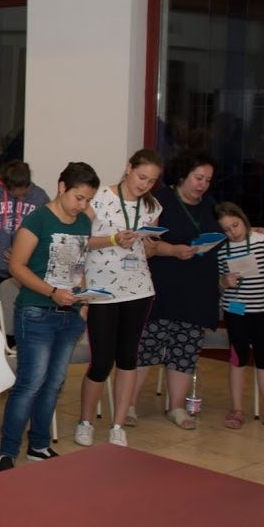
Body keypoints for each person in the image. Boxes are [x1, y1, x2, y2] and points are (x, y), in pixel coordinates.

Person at [0, 162, 98, 472]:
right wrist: (52, 292)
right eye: (78, 197)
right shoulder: (37, 220)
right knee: (31, 382)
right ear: (62, 187)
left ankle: (39, 445)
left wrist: (83, 302)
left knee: (54, 382)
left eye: (88, 200)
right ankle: (8, 450)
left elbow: (78, 267)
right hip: (36, 312)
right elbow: (17, 267)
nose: (83, 205)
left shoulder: (82, 223)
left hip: (70, 314)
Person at [75, 150, 163, 448]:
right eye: (141, 177)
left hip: (138, 289)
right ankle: (85, 421)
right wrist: (113, 239)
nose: (144, 185)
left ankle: (118, 424)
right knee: (101, 361)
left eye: (151, 181)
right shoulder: (99, 197)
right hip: (101, 291)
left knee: (128, 358)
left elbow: (149, 250)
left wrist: (149, 244)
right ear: (128, 168)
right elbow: (79, 241)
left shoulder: (152, 206)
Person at [139, 152, 231, 431]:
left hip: (198, 289)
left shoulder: (210, 206)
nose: (203, 184)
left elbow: (231, 230)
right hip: (163, 286)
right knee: (146, 347)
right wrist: (173, 250)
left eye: (208, 180)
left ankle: (176, 407)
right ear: (182, 176)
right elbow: (145, 243)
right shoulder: (160, 201)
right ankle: (128, 403)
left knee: (186, 348)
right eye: (198, 178)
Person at [215, 201, 264, 433]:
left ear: (243, 220)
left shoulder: (261, 242)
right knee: (238, 359)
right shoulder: (222, 250)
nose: (233, 232)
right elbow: (217, 282)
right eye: (226, 229)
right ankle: (237, 409)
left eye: (235, 225)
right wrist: (224, 282)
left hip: (262, 311)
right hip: (235, 312)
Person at [0, 160, 49, 323]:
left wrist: (25, 252)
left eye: (25, 192)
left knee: (23, 318)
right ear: (7, 186)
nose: (21, 196)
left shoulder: (40, 197)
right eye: (16, 193)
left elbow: (47, 230)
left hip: (27, 272)